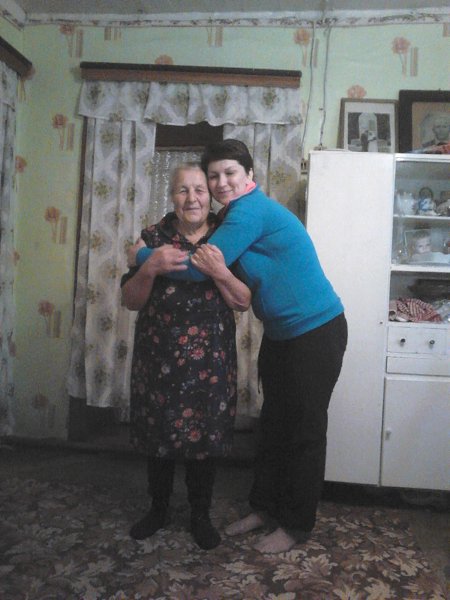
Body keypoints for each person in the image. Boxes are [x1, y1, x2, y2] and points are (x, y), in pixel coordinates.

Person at [129, 139, 348, 554]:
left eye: (229, 173)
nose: (220, 183)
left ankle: (295, 524)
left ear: (249, 175)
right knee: (274, 428)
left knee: (303, 433)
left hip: (316, 330)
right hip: (281, 333)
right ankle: (264, 509)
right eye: (213, 176)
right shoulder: (232, 216)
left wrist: (142, 256)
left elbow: (199, 269)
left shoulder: (249, 211)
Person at [121, 162, 251, 550]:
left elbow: (243, 301)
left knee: (205, 439)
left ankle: (200, 515)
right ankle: (158, 509)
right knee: (158, 436)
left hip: (211, 362)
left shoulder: (227, 236)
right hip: (158, 358)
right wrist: (149, 267)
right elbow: (130, 301)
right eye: (182, 190)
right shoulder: (152, 238)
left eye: (199, 190)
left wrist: (219, 272)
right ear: (171, 196)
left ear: (210, 195)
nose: (192, 198)